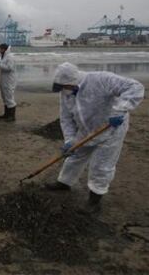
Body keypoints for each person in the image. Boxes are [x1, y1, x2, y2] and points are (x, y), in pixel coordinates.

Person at [46, 62, 145, 212]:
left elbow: (135, 87)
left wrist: (120, 110)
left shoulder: (101, 79)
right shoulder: (66, 93)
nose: (64, 91)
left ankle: (95, 199)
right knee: (75, 155)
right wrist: (69, 140)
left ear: (73, 81)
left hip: (111, 128)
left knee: (102, 165)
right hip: (86, 130)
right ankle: (64, 183)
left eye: (65, 87)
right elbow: (66, 118)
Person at [0, 43, 17, 122]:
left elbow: (9, 68)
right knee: (5, 97)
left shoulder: (10, 57)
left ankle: (12, 116)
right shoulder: (4, 56)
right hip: (4, 80)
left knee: (9, 97)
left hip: (9, 80)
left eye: (0, 49)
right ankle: (6, 114)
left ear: (4, 49)